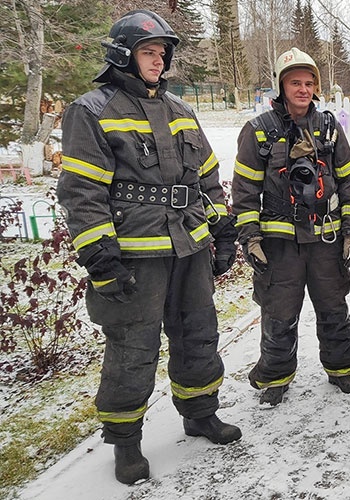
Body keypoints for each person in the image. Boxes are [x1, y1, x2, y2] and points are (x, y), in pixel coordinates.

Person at [56, 10, 242, 485]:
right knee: (132, 348)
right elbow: (82, 192)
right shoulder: (91, 110)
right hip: (133, 254)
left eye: (161, 53)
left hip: (189, 247)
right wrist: (99, 257)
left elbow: (206, 177)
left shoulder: (181, 110)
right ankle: (125, 442)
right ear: (123, 55)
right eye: (148, 52)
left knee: (199, 334)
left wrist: (222, 230)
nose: (158, 61)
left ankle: (200, 414)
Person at [232, 47, 350, 405]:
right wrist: (251, 239)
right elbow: (244, 192)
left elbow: (349, 183)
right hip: (279, 244)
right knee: (279, 314)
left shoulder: (329, 129)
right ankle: (276, 377)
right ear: (281, 86)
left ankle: (341, 368)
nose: (303, 89)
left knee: (333, 308)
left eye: (309, 83)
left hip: (325, 239)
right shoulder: (258, 131)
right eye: (295, 83)